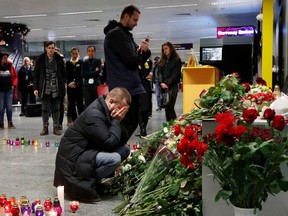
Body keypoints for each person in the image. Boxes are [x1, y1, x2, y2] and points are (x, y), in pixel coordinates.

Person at [53, 87, 131, 203]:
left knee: (124, 150)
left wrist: (119, 120)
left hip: (85, 153)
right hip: (72, 163)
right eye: (120, 109)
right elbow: (109, 143)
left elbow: (122, 140)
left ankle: (93, 181)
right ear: (111, 101)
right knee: (115, 159)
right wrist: (115, 121)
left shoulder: (105, 110)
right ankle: (86, 183)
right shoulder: (94, 114)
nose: (120, 113)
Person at [104, 4, 151, 139]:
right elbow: (131, 60)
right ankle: (115, 154)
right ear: (126, 16)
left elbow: (135, 56)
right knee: (126, 124)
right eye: (135, 20)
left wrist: (144, 51)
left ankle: (118, 152)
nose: (136, 24)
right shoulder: (116, 34)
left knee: (131, 122)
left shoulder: (125, 35)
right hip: (124, 88)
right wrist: (141, 55)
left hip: (130, 86)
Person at [33, 41, 66, 136]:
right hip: (44, 87)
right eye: (50, 48)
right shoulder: (40, 59)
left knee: (56, 108)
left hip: (56, 87)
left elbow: (64, 73)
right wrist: (35, 88)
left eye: (53, 48)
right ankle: (45, 127)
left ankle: (56, 127)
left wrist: (62, 82)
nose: (52, 50)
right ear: (46, 48)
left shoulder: (59, 59)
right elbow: (36, 75)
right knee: (45, 108)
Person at [158, 42, 182, 121]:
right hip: (163, 86)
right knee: (166, 107)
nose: (165, 51)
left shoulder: (177, 60)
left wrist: (167, 83)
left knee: (170, 107)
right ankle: (169, 126)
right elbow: (159, 73)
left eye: (166, 48)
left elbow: (175, 74)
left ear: (171, 49)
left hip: (173, 86)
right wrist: (161, 82)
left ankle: (175, 126)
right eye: (163, 49)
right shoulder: (162, 61)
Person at [66, 47, 85, 127]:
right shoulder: (67, 63)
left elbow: (81, 74)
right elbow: (66, 74)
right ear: (71, 54)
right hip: (70, 87)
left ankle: (82, 120)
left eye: (76, 53)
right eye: (73, 53)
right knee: (71, 104)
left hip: (78, 87)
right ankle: (74, 120)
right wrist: (69, 83)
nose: (75, 55)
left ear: (78, 54)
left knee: (80, 103)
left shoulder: (81, 62)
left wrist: (75, 82)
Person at [0, 52, 18, 129]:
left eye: (6, 58)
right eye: (4, 58)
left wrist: (14, 85)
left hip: (9, 90)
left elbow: (16, 77)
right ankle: (1, 123)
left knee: (9, 107)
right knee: (0, 108)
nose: (6, 59)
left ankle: (10, 122)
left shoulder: (10, 66)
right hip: (0, 91)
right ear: (0, 59)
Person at [136, 59, 153, 137]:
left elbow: (147, 74)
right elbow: (140, 74)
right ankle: (142, 128)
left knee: (146, 108)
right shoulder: (136, 62)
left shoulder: (149, 62)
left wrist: (143, 76)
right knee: (138, 108)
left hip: (146, 87)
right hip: (137, 86)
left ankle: (144, 128)